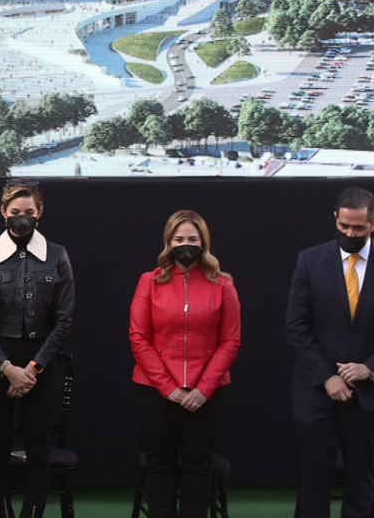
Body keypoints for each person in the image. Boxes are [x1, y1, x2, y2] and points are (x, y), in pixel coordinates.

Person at [0, 180, 75, 518]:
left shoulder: (58, 255)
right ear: (3, 213)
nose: (22, 218)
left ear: (39, 213)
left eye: (29, 212)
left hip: (39, 367)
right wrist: (5, 366)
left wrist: (32, 369)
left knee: (38, 450)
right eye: (15, 213)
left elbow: (64, 320)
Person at [129, 210, 240, 518]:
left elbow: (230, 341)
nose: (185, 245)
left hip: (206, 394)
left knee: (198, 466)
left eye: (192, 239)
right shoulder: (148, 282)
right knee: (160, 466)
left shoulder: (223, 285)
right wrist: (169, 389)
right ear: (168, 242)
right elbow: (139, 338)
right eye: (179, 239)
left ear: (203, 242)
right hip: (156, 391)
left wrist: (203, 389)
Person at [286, 187, 374, 518]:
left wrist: (369, 368)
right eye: (344, 226)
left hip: (367, 395)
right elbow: (296, 327)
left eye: (358, 228)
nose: (350, 234)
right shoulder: (310, 260)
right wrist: (327, 377)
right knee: (314, 479)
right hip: (315, 394)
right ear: (335, 219)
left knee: (361, 481)